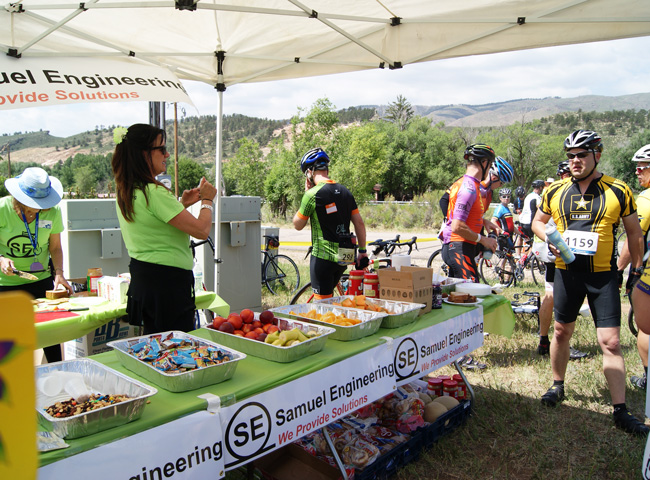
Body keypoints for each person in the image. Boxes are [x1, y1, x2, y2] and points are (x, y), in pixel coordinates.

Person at [532, 129, 648, 435]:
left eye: (582, 154)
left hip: (603, 276)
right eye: (570, 156)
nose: (575, 161)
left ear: (597, 154)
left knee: (610, 341)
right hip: (567, 273)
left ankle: (620, 409)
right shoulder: (555, 190)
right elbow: (537, 223)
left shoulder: (618, 189)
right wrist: (549, 239)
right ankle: (558, 385)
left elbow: (635, 233)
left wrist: (636, 269)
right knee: (560, 331)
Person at [112, 124, 216, 334]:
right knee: (176, 350)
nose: (167, 154)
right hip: (168, 286)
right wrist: (207, 200)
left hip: (146, 281)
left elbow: (152, 221)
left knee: (157, 348)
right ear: (144, 154)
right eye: (161, 148)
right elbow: (201, 230)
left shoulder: (128, 190)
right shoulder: (154, 192)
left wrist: (180, 204)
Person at [0, 167, 74, 362]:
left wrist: (59, 272)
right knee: (9, 342)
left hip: (40, 280)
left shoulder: (53, 211)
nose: (38, 208)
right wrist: (1, 259)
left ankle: (58, 375)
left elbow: (56, 247)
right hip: (5, 284)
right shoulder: (2, 209)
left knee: (50, 336)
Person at [293, 147, 367, 300]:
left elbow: (297, 225)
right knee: (334, 303)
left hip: (322, 259)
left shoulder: (312, 195)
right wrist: (363, 251)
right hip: (343, 259)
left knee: (323, 310)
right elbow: (359, 223)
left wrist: (306, 194)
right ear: (326, 169)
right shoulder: (346, 192)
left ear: (309, 172)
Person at [536, 160, 588, 360]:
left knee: (551, 294)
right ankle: (560, 341)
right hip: (557, 251)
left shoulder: (550, 191)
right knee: (559, 297)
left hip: (548, 249)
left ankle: (544, 340)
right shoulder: (562, 192)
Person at [617, 144, 650, 390]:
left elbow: (633, 238)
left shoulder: (646, 199)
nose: (637, 172)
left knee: (645, 328)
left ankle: (648, 379)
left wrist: (619, 269)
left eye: (641, 167)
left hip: (647, 274)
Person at [440, 144, 498, 282]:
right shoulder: (469, 188)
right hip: (459, 246)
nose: (489, 170)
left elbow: (461, 214)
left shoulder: (469, 184)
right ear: (484, 163)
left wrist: (483, 221)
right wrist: (484, 240)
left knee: (459, 298)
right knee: (473, 294)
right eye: (490, 166)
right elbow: (457, 226)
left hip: (460, 246)